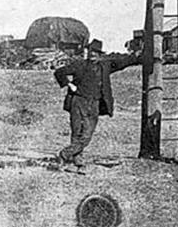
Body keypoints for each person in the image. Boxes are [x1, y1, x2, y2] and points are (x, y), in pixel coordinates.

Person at [52, 39, 142, 170]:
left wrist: (136, 56)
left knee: (87, 134)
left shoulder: (105, 66)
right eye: (91, 51)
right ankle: (78, 160)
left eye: (96, 52)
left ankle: (64, 154)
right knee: (77, 132)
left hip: (94, 103)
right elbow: (59, 72)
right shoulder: (79, 64)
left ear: (100, 54)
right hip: (78, 101)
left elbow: (123, 62)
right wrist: (70, 85)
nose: (93, 54)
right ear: (87, 52)